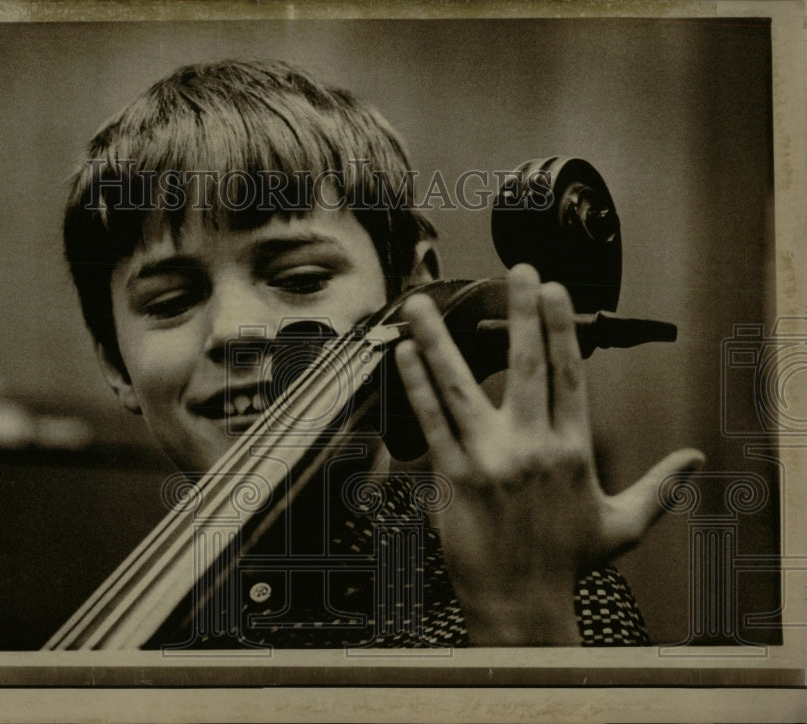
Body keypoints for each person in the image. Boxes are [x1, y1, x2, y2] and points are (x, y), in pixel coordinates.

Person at [61, 59, 704, 648]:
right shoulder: (146, 629)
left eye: (302, 280)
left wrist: (522, 613)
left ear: (412, 291)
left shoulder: (561, 599)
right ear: (116, 363)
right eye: (171, 301)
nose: (234, 332)